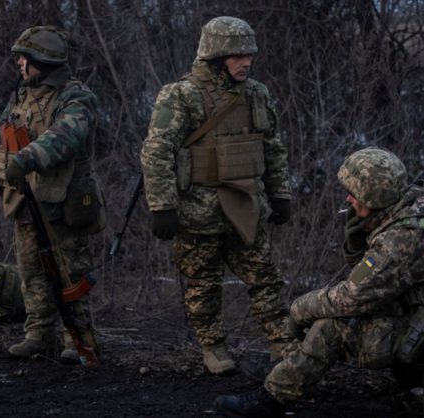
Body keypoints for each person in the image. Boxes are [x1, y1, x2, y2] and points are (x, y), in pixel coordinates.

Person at [214, 147, 424, 417]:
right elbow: (374, 282)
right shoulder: (423, 203)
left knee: (331, 326)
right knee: (332, 312)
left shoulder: (403, 238)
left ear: (376, 197)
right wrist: (358, 237)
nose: (348, 198)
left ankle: (272, 398)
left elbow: (352, 297)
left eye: (355, 195)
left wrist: (299, 309)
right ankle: (289, 367)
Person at [140, 16, 292, 375]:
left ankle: (283, 343)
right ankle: (213, 347)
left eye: (249, 55)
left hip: (246, 203)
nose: (246, 62)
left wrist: (280, 192)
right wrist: (162, 206)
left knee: (265, 278)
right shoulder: (181, 94)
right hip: (198, 211)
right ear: (215, 57)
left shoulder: (257, 93)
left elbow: (272, 147)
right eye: (237, 55)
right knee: (202, 284)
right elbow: (156, 152)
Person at [0, 25, 105, 361]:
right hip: (25, 200)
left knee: (69, 270)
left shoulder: (76, 96)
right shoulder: (21, 96)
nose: (20, 64)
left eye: (24, 58)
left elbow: (65, 138)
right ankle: (39, 333)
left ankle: (78, 337)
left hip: (64, 200)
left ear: (42, 60)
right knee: (31, 271)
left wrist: (25, 159)